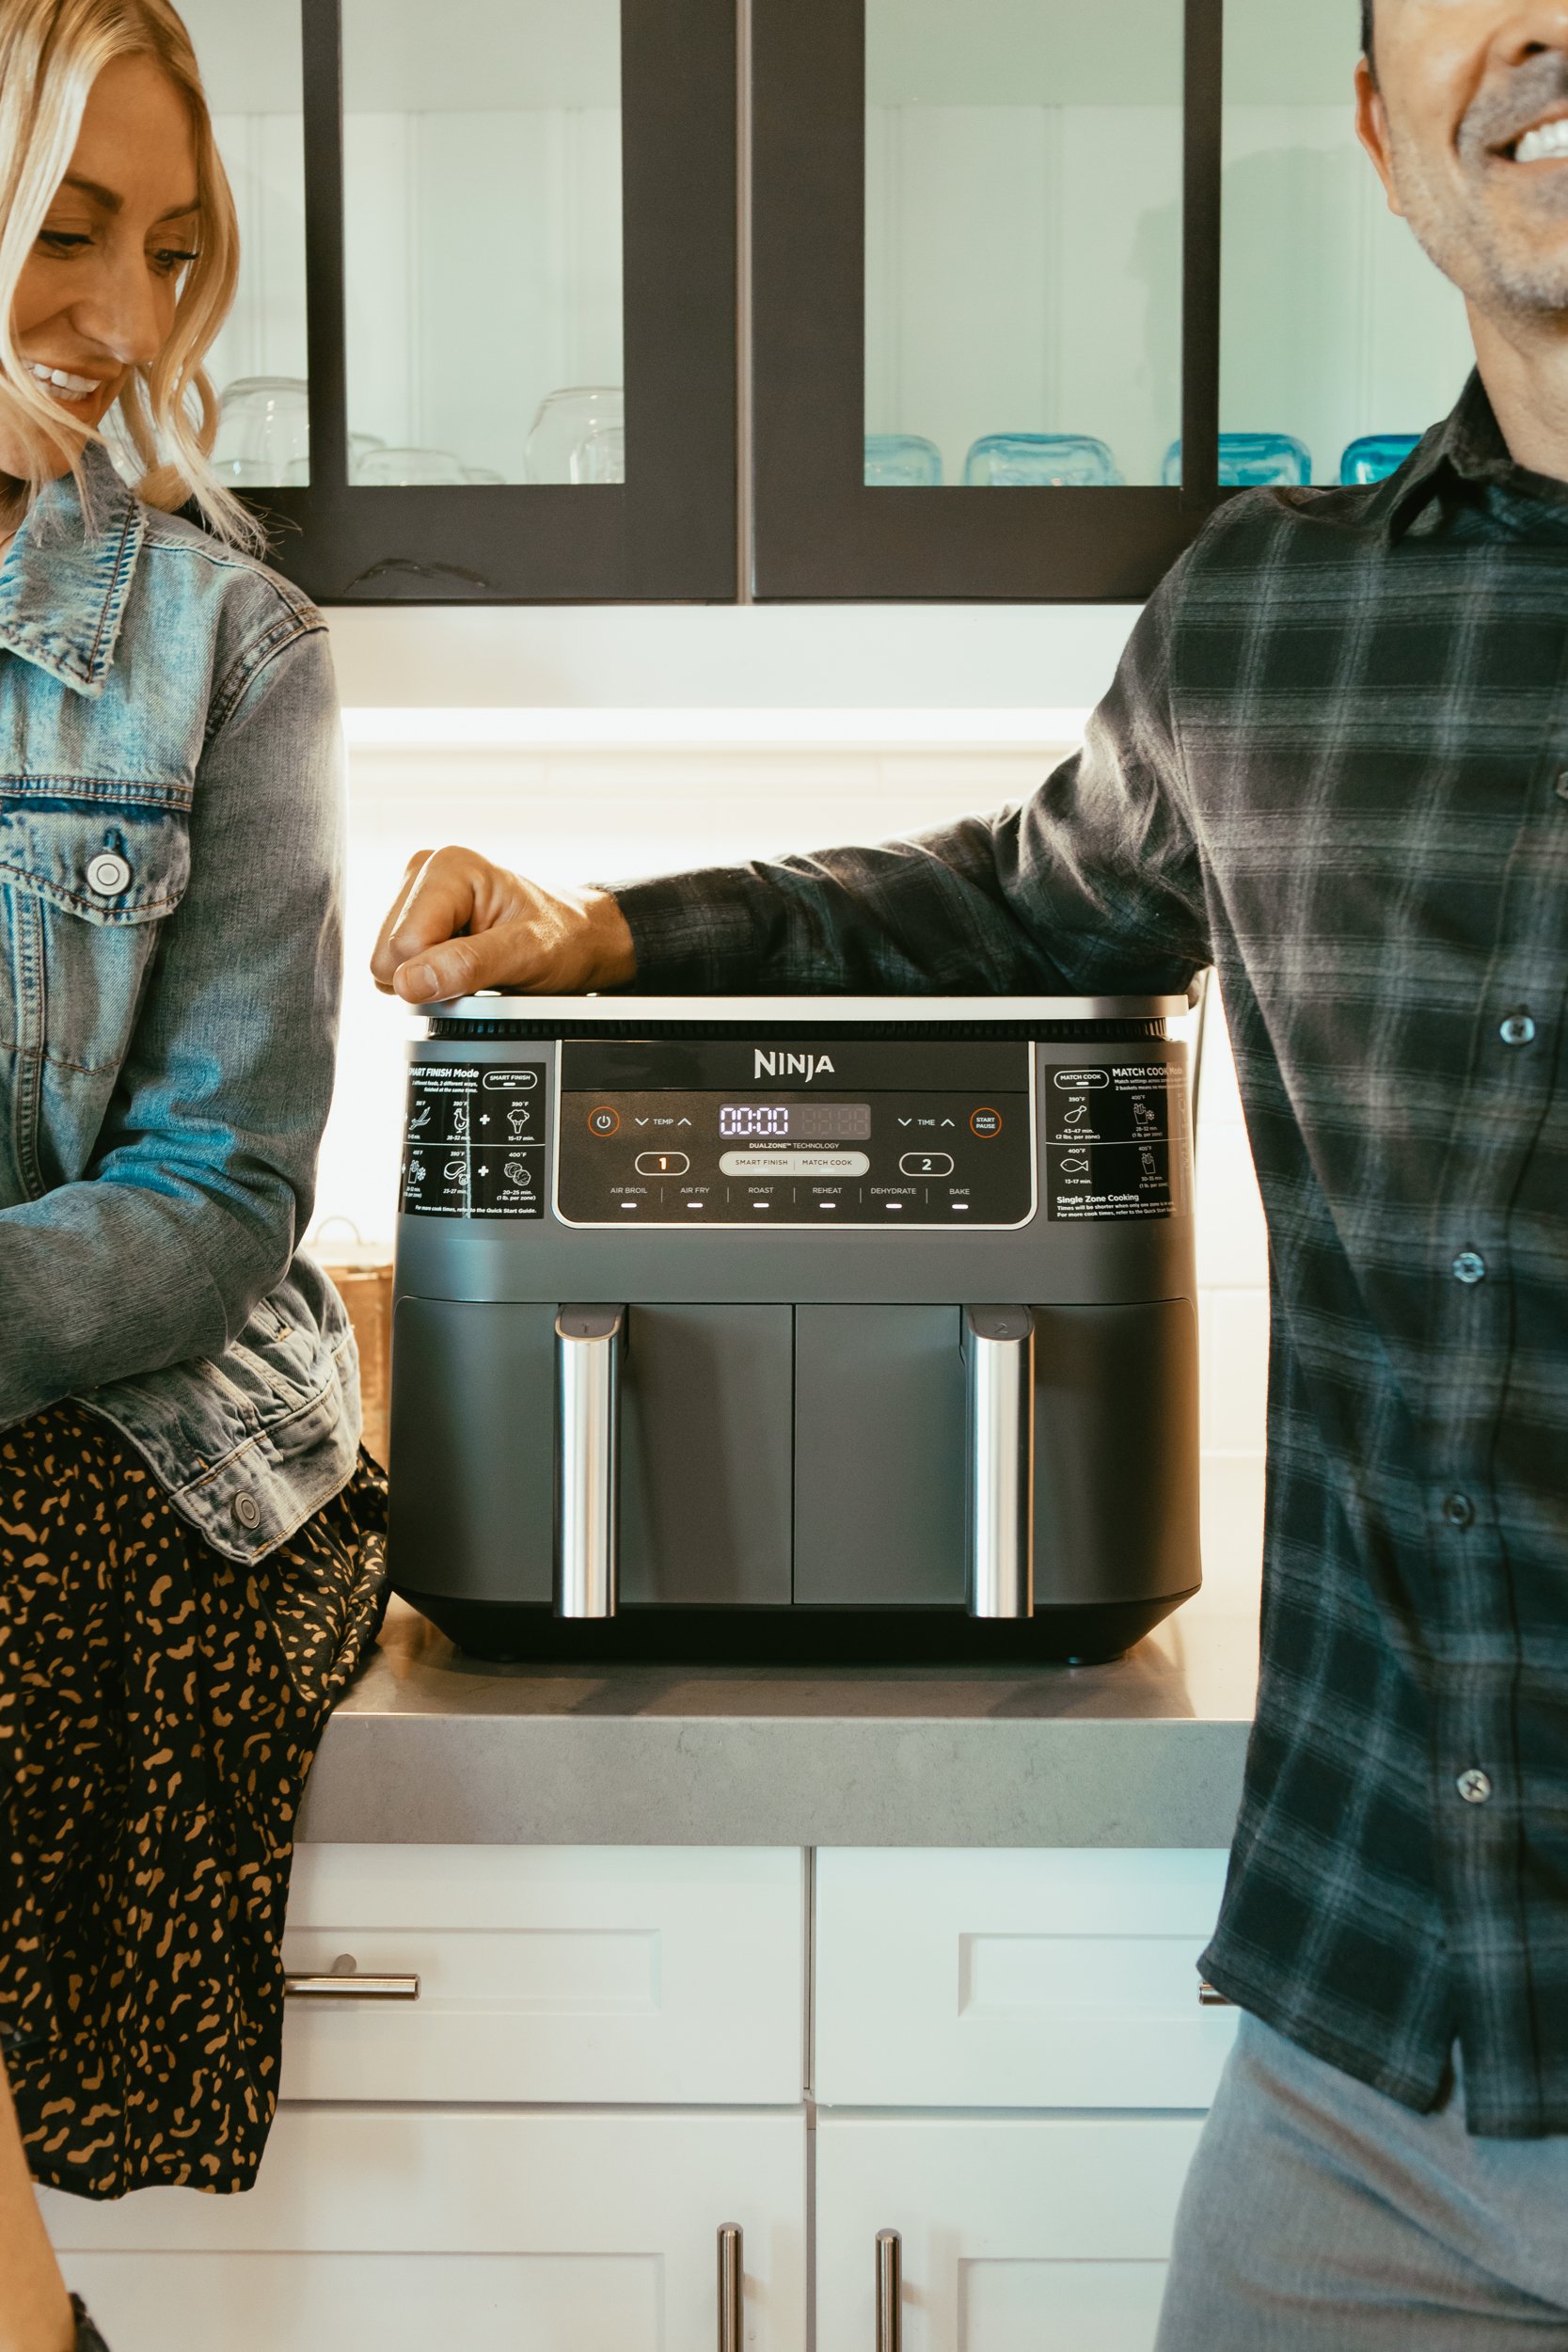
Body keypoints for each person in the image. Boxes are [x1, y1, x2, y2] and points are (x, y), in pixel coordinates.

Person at [373, 1, 1568, 2343]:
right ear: (1374, 122)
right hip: (1366, 2074)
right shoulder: (1268, 624)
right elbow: (1012, 897)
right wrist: (609, 935)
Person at [0, 4, 385, 2346]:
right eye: (66, 229)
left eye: (171, 251)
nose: (125, 320)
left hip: (158, 1423)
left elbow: (218, 1184)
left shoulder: (231, 644)